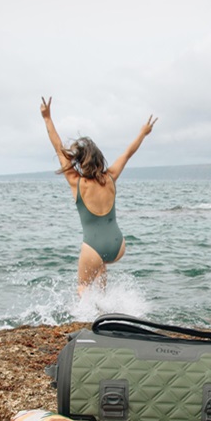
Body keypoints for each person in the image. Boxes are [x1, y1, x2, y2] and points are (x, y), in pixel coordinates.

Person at [40, 96, 157, 294]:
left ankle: (88, 319)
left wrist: (47, 118)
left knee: (82, 286)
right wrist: (143, 133)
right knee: (100, 265)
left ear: (80, 162)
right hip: (117, 246)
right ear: (99, 159)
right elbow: (128, 153)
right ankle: (104, 303)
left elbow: (58, 148)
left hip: (93, 246)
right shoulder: (111, 177)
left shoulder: (76, 182)